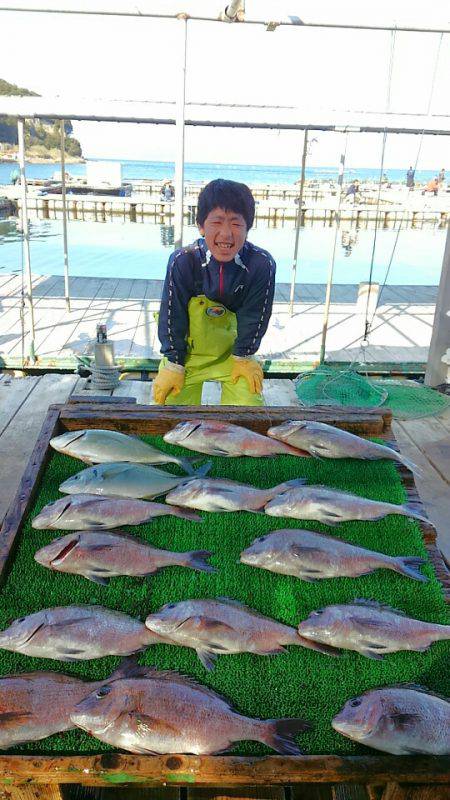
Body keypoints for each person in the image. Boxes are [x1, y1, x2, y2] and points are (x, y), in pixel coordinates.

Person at [153, 178, 276, 406]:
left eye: (236, 224)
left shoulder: (261, 264)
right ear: (201, 225)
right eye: (217, 222)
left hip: (235, 355)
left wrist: (244, 355)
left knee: (249, 410)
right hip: (187, 357)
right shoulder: (183, 261)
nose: (226, 234)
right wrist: (173, 362)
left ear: (248, 228)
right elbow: (172, 316)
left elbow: (255, 316)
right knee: (167, 412)